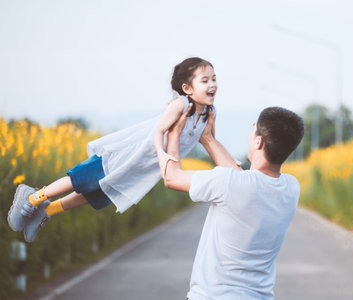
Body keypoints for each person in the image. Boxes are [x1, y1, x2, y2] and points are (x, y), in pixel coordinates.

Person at [8, 57, 222, 243]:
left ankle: (46, 211)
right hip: (126, 155)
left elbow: (210, 141)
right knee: (81, 179)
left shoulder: (208, 114)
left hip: (140, 171)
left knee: (96, 194)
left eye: (214, 79)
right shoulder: (181, 105)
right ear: (187, 88)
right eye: (205, 80)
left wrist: (232, 167)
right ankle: (32, 197)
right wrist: (162, 154)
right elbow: (159, 131)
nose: (212, 84)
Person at [162, 105, 304, 300]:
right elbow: (242, 180)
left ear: (258, 142)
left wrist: (173, 131)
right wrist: (208, 139)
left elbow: (171, 177)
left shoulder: (231, 183)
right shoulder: (291, 188)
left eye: (252, 128)